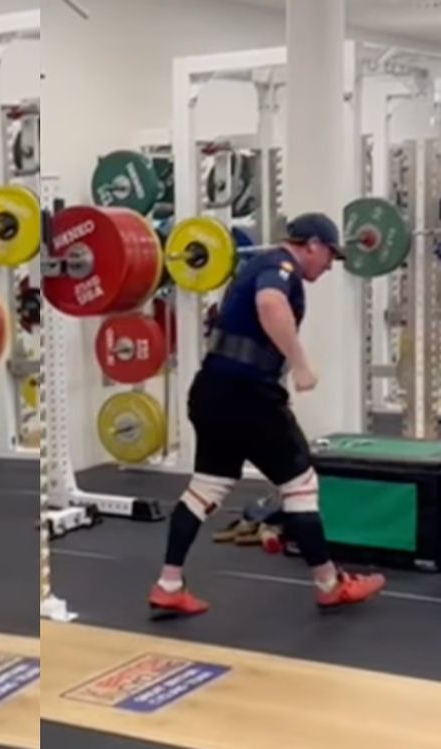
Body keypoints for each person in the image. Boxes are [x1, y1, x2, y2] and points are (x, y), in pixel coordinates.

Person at [149, 213, 385, 617]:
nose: (330, 265)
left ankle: (169, 584)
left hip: (211, 390)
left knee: (206, 488)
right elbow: (270, 304)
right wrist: (301, 364)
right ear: (311, 244)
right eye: (329, 255)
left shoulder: (255, 267)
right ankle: (330, 584)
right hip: (249, 396)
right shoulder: (281, 267)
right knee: (300, 484)